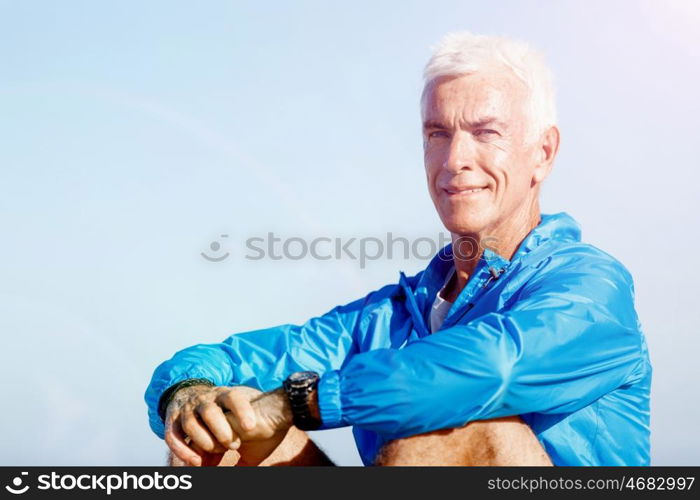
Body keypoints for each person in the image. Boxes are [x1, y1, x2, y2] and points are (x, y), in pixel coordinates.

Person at [144, 31, 651, 467]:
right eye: (438, 133)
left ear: (543, 152)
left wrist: (301, 402)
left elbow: (491, 367)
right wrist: (188, 395)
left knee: (447, 425)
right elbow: (230, 360)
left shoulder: (591, 288)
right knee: (220, 439)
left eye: (485, 132)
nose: (455, 159)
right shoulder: (393, 316)